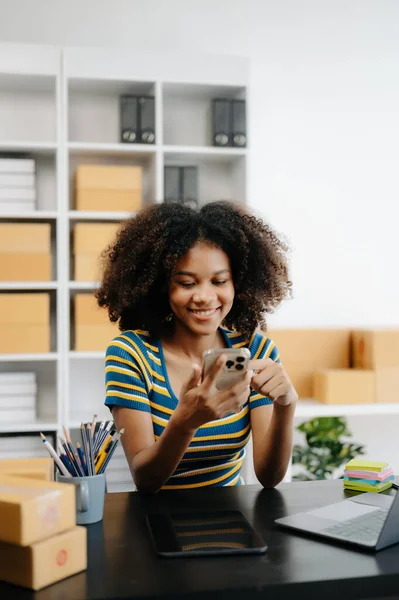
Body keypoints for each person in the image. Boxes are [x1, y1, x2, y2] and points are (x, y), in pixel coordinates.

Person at [96, 201, 297, 493]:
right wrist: (186, 423)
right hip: (157, 524)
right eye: (187, 283)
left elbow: (268, 476)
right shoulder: (131, 354)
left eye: (219, 281)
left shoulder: (254, 347)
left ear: (237, 284)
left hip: (233, 521)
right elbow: (145, 479)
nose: (205, 296)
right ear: (161, 286)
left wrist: (286, 406)